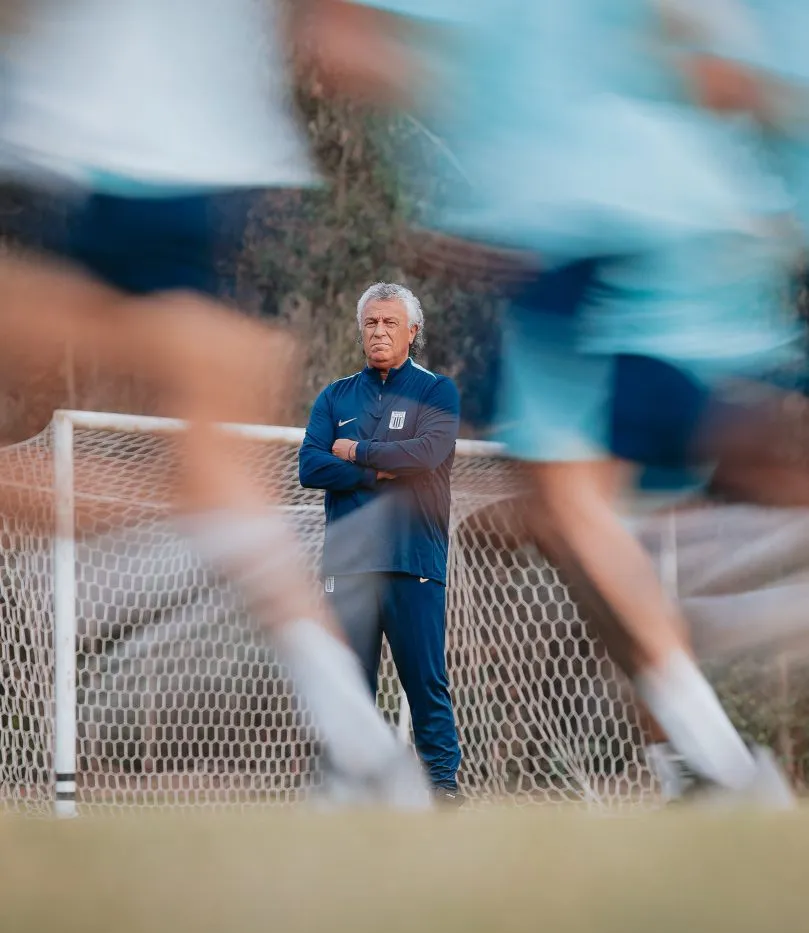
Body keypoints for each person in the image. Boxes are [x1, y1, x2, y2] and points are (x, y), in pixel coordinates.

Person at [334, 0, 807, 804]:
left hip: (583, 229)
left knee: (572, 507)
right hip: (687, 239)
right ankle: (694, 762)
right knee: (579, 516)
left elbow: (355, 47)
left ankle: (720, 764)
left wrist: (471, 153)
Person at [0, 0, 431, 807]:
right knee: (220, 479)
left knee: (213, 482)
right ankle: (364, 750)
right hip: (232, 182)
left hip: (67, 165)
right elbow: (342, 45)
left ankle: (204, 510)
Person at [299, 282, 463, 800]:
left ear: (412, 331)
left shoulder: (437, 391)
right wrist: (375, 472)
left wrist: (356, 450)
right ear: (360, 329)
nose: (379, 331)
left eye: (391, 322)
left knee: (426, 685)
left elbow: (426, 455)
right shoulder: (335, 396)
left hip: (414, 558)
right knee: (347, 688)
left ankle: (443, 789)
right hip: (348, 565)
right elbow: (310, 465)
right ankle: (347, 790)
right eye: (371, 322)